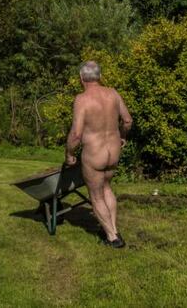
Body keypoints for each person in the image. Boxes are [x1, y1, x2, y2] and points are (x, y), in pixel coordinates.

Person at [65, 61, 132, 248]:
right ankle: (113, 229)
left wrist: (69, 153)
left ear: (81, 78)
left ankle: (113, 238)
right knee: (107, 188)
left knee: (96, 194)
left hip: (95, 154)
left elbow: (76, 134)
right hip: (113, 152)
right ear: (100, 76)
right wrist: (123, 136)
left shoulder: (82, 99)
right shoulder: (113, 94)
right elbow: (127, 121)